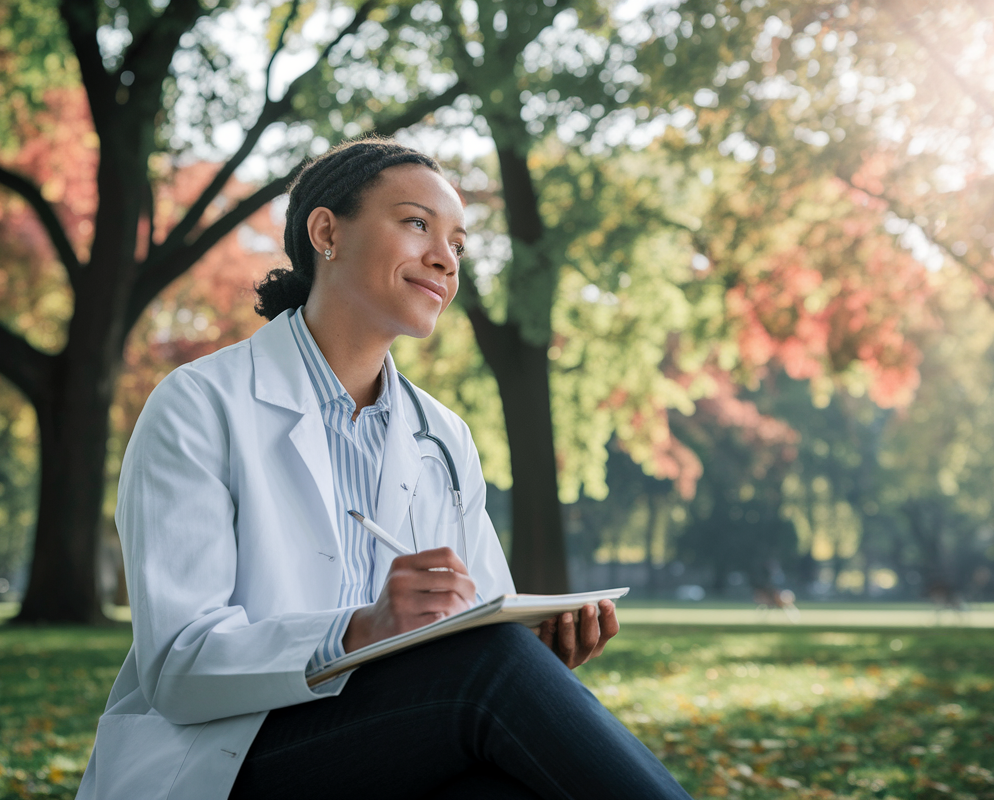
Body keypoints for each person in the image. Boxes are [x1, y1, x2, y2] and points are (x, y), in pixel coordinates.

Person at [75, 137, 693, 800]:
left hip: (387, 745)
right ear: (326, 233)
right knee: (490, 676)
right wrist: (359, 629)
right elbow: (178, 667)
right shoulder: (198, 405)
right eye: (417, 224)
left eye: (457, 243)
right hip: (224, 758)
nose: (445, 260)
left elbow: (482, 628)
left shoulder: (444, 436)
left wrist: (542, 650)